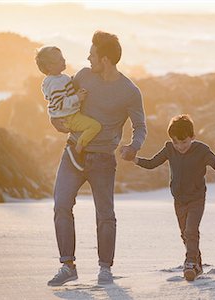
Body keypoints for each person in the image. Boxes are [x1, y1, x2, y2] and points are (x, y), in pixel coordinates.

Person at [47, 31, 147, 286]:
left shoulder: (129, 91)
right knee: (61, 205)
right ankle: (67, 266)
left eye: (92, 54)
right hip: (73, 152)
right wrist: (56, 121)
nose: (87, 58)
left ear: (104, 59)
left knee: (105, 214)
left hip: (103, 158)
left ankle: (105, 268)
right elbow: (62, 103)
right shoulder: (82, 76)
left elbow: (140, 126)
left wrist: (133, 146)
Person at [133, 114, 215, 281]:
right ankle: (197, 264)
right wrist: (136, 159)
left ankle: (189, 263)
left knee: (191, 230)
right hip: (179, 199)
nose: (180, 146)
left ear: (192, 137)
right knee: (184, 233)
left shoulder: (202, 150)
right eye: (176, 142)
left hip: (197, 198)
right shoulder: (169, 149)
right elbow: (153, 162)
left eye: (184, 142)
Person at [35, 46, 102, 171]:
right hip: (69, 117)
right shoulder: (55, 83)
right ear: (49, 67)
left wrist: (75, 91)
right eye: (60, 60)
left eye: (63, 58)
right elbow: (60, 103)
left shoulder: (59, 78)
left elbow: (65, 91)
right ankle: (77, 149)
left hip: (67, 115)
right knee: (95, 126)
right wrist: (77, 97)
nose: (64, 61)